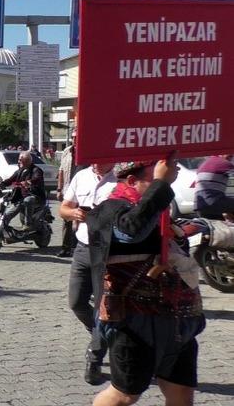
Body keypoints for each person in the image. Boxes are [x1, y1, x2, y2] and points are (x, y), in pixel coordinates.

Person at [86, 160, 204, 406]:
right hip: (135, 323)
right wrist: (161, 185)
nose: (167, 180)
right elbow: (131, 231)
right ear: (131, 180)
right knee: (124, 395)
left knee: (182, 394)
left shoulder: (159, 210)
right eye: (155, 176)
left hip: (178, 320)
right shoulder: (108, 210)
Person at [58, 162, 116, 385]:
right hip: (82, 248)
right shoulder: (81, 176)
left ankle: (94, 360)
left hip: (108, 251)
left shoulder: (119, 180)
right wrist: (74, 213)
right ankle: (101, 333)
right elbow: (63, 209)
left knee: (103, 308)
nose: (96, 161)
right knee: (76, 302)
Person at [0, 151, 46, 232]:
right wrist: (1, 184)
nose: (18, 161)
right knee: (7, 215)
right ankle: (2, 231)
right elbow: (11, 180)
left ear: (27, 161)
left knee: (28, 200)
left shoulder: (36, 170)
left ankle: (28, 224)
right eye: (19, 159)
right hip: (20, 199)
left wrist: (28, 182)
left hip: (35, 197)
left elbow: (37, 179)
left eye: (21, 160)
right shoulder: (20, 171)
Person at [56, 130, 83, 257]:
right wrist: (59, 189)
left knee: (80, 217)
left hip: (82, 189)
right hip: (68, 188)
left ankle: (78, 246)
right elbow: (61, 170)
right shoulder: (67, 151)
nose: (75, 139)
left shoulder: (86, 151)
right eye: (73, 137)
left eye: (77, 137)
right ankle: (65, 247)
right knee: (66, 218)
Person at [194, 154, 234, 219]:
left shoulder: (204, 163)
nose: (231, 158)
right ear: (221, 154)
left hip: (200, 205)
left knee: (218, 227)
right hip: (214, 203)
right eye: (230, 156)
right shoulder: (224, 163)